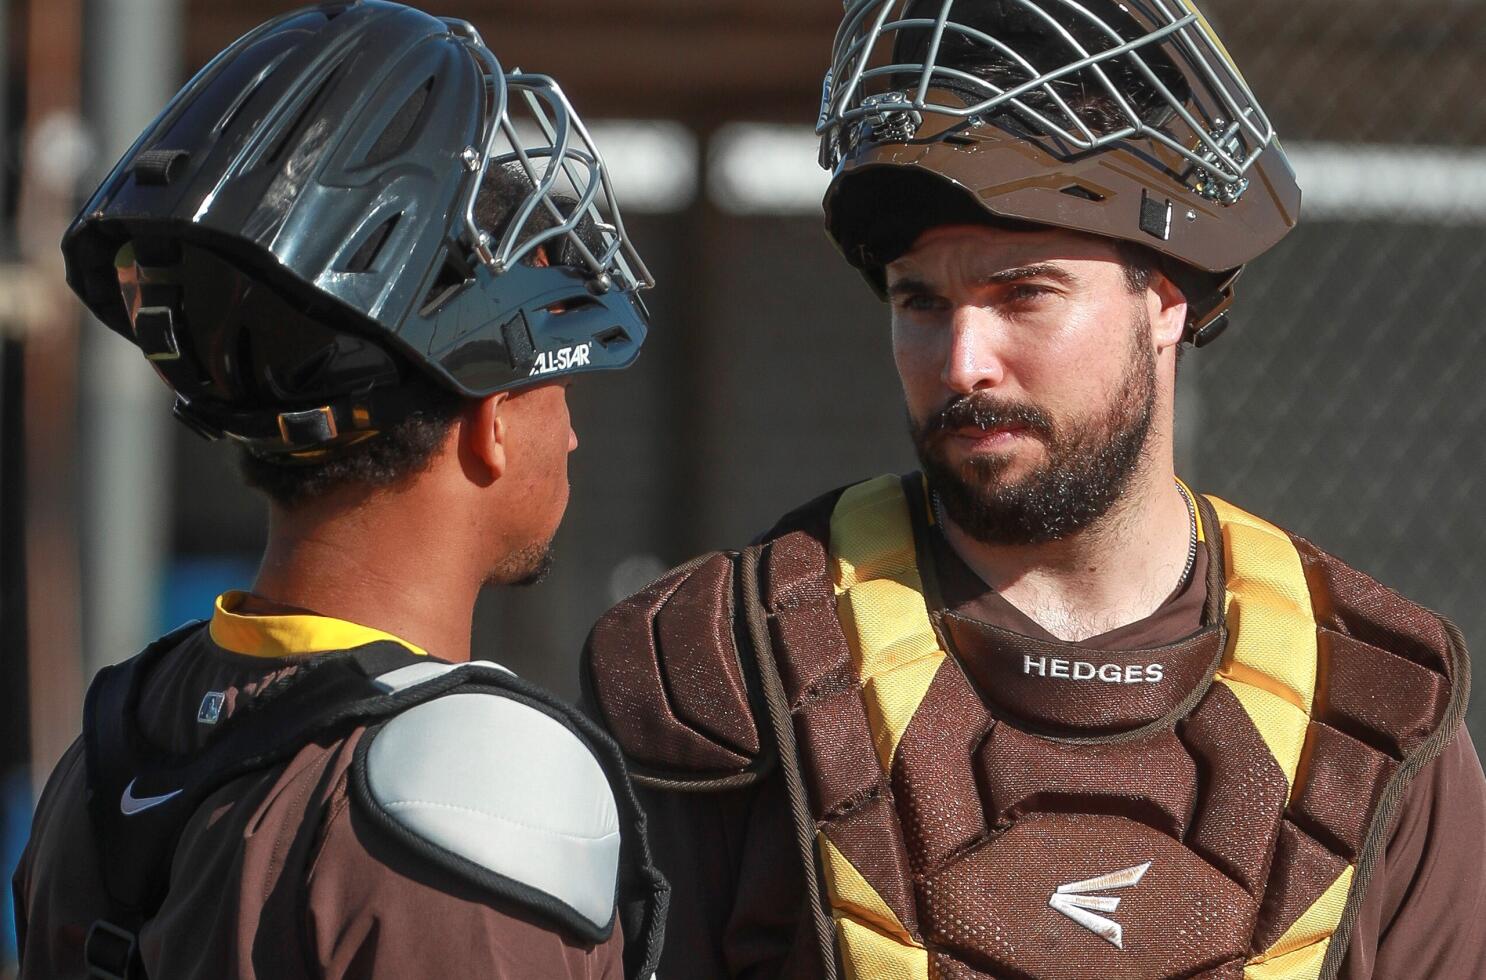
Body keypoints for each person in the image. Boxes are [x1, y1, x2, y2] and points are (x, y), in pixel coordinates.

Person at [583, 1, 1485, 978]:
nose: (963, 359)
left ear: (1165, 300)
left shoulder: (1373, 704)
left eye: (1024, 294)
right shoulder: (716, 671)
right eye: (919, 300)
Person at [12, 3, 667, 978]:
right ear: (488, 424)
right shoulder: (477, 788)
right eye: (557, 389)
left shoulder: (115, 748)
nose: (570, 432)